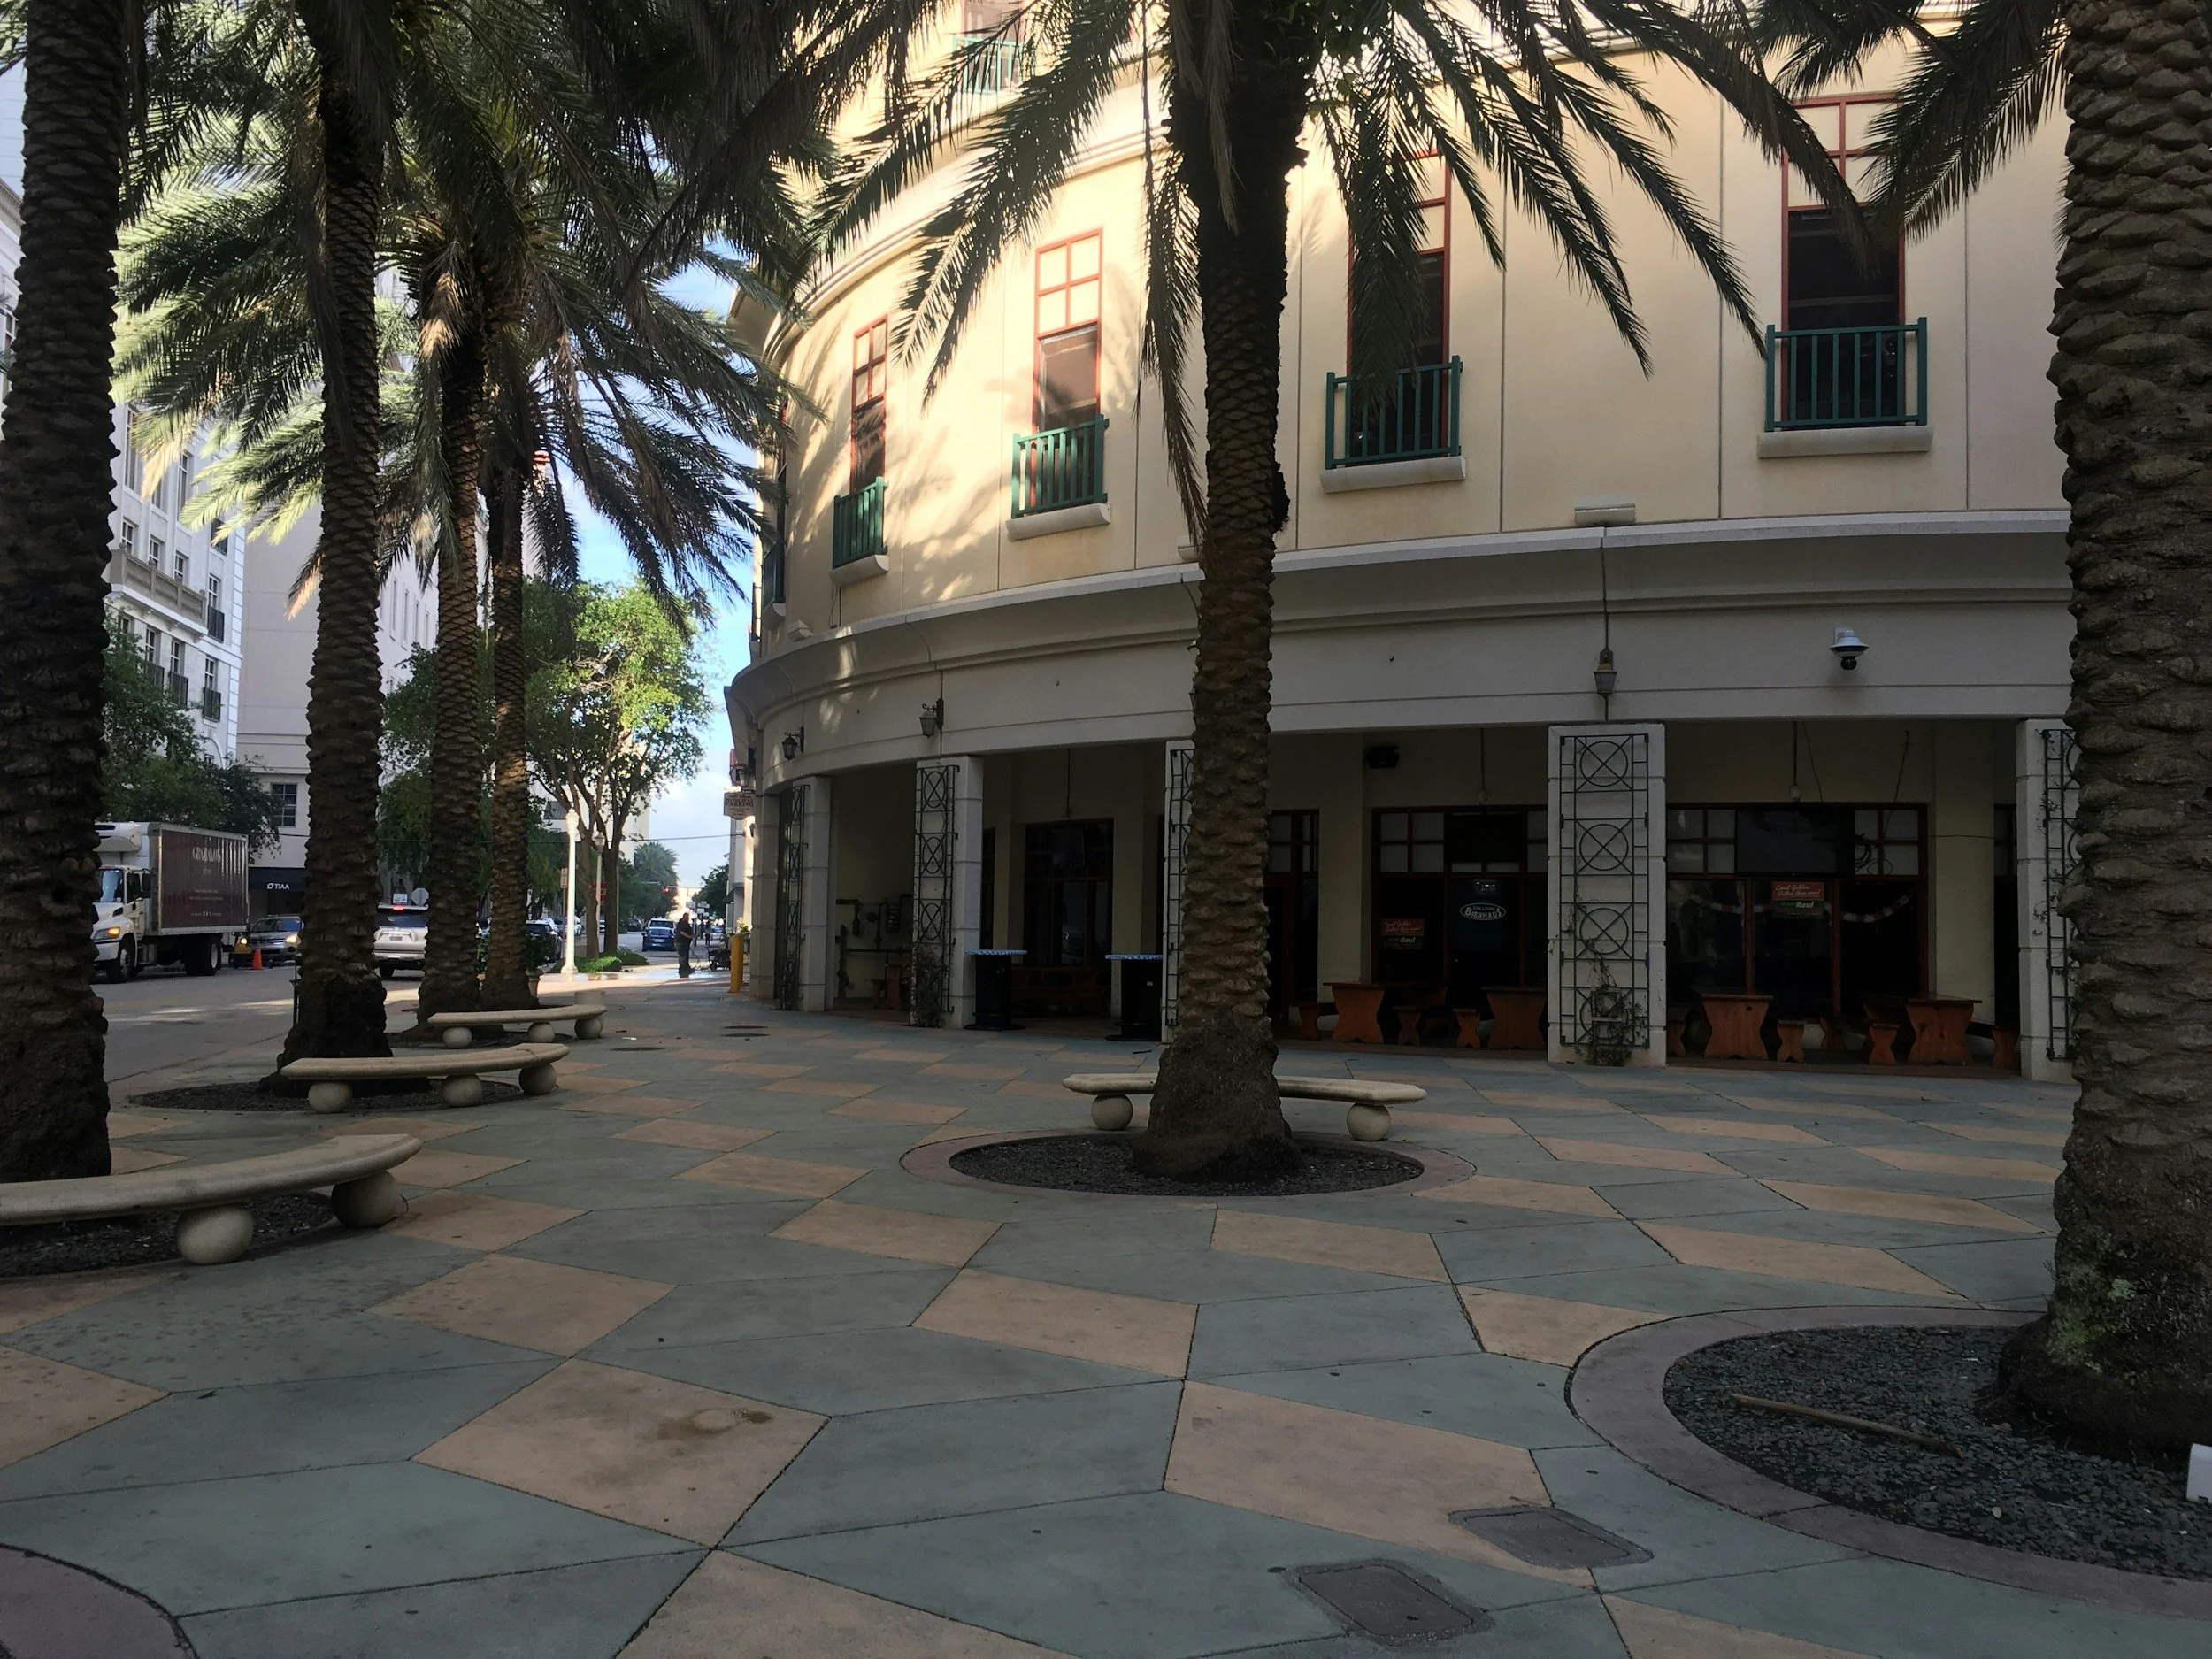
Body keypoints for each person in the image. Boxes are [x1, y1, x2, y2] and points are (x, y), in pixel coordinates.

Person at [673, 911, 695, 979]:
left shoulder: (684, 923)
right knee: (683, 956)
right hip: (681, 942)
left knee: (685, 956)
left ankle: (686, 968)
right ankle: (683, 970)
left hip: (684, 943)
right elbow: (682, 932)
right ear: (684, 917)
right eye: (687, 917)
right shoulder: (682, 924)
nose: (688, 918)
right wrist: (689, 937)